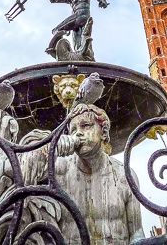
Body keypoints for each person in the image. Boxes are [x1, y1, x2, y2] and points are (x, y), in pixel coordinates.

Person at [21, 103, 144, 245]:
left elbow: (136, 232)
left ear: (103, 132)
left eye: (86, 125)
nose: (78, 133)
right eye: (73, 129)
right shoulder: (59, 170)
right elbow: (25, 172)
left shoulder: (124, 175)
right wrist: (53, 147)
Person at [42, 0, 109, 51]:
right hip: (76, 19)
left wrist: (102, 0)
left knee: (56, 30)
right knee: (78, 47)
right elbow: (53, 0)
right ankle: (76, 57)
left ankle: (55, 48)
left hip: (81, 14)